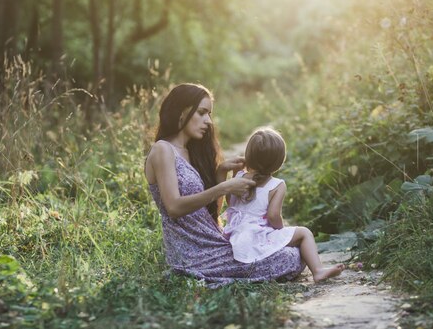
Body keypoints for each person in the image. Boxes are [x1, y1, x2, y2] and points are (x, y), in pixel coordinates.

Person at [145, 83, 305, 287]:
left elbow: (211, 215)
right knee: (292, 258)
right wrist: (225, 187)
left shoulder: (190, 152)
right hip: (192, 253)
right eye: (202, 113)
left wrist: (221, 173)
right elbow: (174, 208)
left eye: (209, 114)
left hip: (212, 241)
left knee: (292, 253)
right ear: (181, 110)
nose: (208, 121)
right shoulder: (162, 150)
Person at [223, 128, 345, 282]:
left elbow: (230, 202)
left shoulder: (239, 176)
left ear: (249, 155)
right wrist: (281, 230)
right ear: (278, 161)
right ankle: (318, 271)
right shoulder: (277, 184)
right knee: (304, 232)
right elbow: (274, 216)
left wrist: (234, 173)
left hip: (235, 236)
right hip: (257, 237)